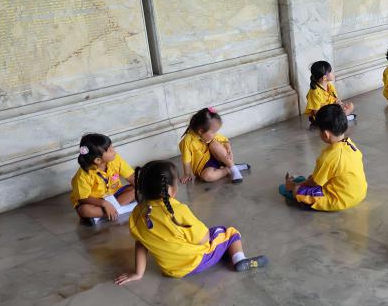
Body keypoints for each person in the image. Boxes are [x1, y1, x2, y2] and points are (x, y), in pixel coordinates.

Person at [115, 160, 267, 283]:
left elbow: (141, 243)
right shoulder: (178, 210)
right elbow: (203, 239)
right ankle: (239, 259)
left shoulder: (137, 213)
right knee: (227, 232)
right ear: (170, 189)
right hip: (196, 262)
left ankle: (225, 253)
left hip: (172, 271)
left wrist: (138, 273)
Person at [280, 104, 367, 211]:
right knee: (314, 177)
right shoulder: (351, 145)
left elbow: (315, 183)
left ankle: (293, 189)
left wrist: (295, 185)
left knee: (298, 191)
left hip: (341, 199)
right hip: (360, 193)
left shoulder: (328, 157)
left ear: (325, 134)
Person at [70, 133, 136, 223]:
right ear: (98, 160)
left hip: (115, 194)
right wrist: (104, 203)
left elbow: (131, 177)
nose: (114, 151)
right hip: (96, 202)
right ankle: (121, 210)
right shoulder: (82, 175)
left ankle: (100, 215)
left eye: (112, 147)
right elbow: (83, 198)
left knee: (136, 189)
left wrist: (143, 188)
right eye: (110, 150)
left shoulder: (116, 159)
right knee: (84, 210)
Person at [179, 107, 244, 184]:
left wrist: (229, 149)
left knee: (214, 144)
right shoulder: (187, 141)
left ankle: (233, 168)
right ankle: (229, 169)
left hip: (220, 158)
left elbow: (225, 141)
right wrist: (187, 174)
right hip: (204, 167)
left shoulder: (210, 135)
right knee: (207, 176)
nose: (215, 134)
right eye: (213, 132)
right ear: (201, 131)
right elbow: (186, 160)